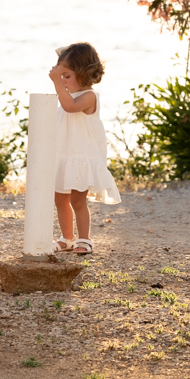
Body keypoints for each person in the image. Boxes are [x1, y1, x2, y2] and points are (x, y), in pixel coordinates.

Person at [47, 42, 120, 255]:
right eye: (61, 76)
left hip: (81, 158)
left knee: (78, 199)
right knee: (59, 198)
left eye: (66, 76)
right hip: (65, 155)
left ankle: (84, 238)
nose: (63, 81)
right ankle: (67, 238)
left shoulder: (89, 97)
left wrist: (56, 84)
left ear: (84, 74)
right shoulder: (68, 95)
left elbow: (70, 107)